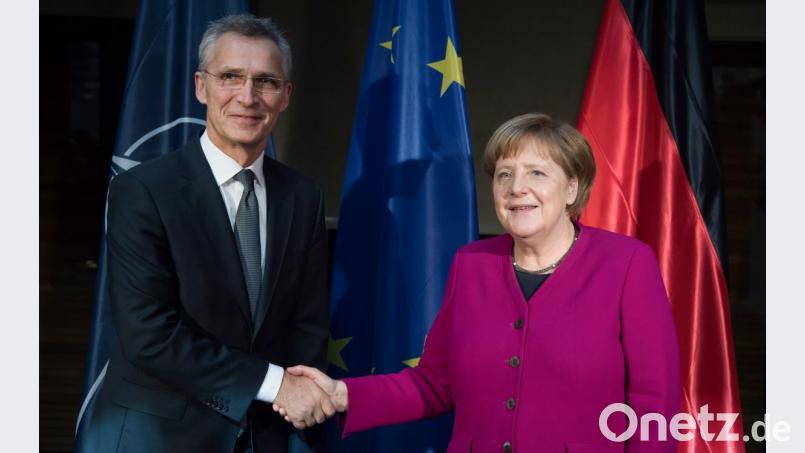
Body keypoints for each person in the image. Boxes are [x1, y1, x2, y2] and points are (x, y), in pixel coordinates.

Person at [277, 113, 681, 452]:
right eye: (504, 174)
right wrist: (339, 394)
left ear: (572, 188)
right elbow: (434, 383)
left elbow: (654, 405)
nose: (516, 188)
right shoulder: (472, 265)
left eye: (537, 173)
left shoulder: (627, 264)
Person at [83, 14, 333, 453]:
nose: (247, 97)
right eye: (231, 77)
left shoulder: (303, 196)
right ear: (201, 87)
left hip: (269, 434)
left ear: (286, 95)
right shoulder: (142, 191)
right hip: (159, 436)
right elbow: (150, 334)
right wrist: (277, 385)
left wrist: (299, 398)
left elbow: (307, 325)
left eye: (266, 81)